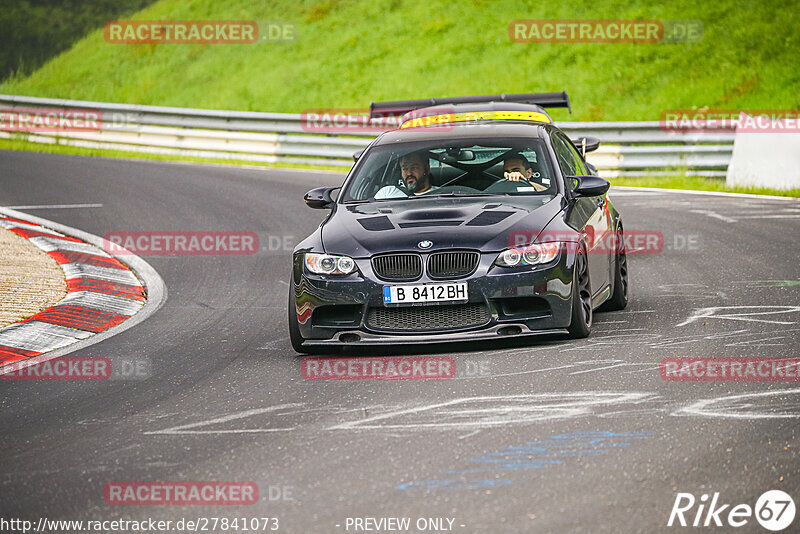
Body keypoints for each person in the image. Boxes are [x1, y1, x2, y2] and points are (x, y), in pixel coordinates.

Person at [375, 151, 440, 199]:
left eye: (414, 167)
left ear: (427, 169)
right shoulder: (387, 192)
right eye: (405, 168)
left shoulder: (442, 194)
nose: (409, 173)